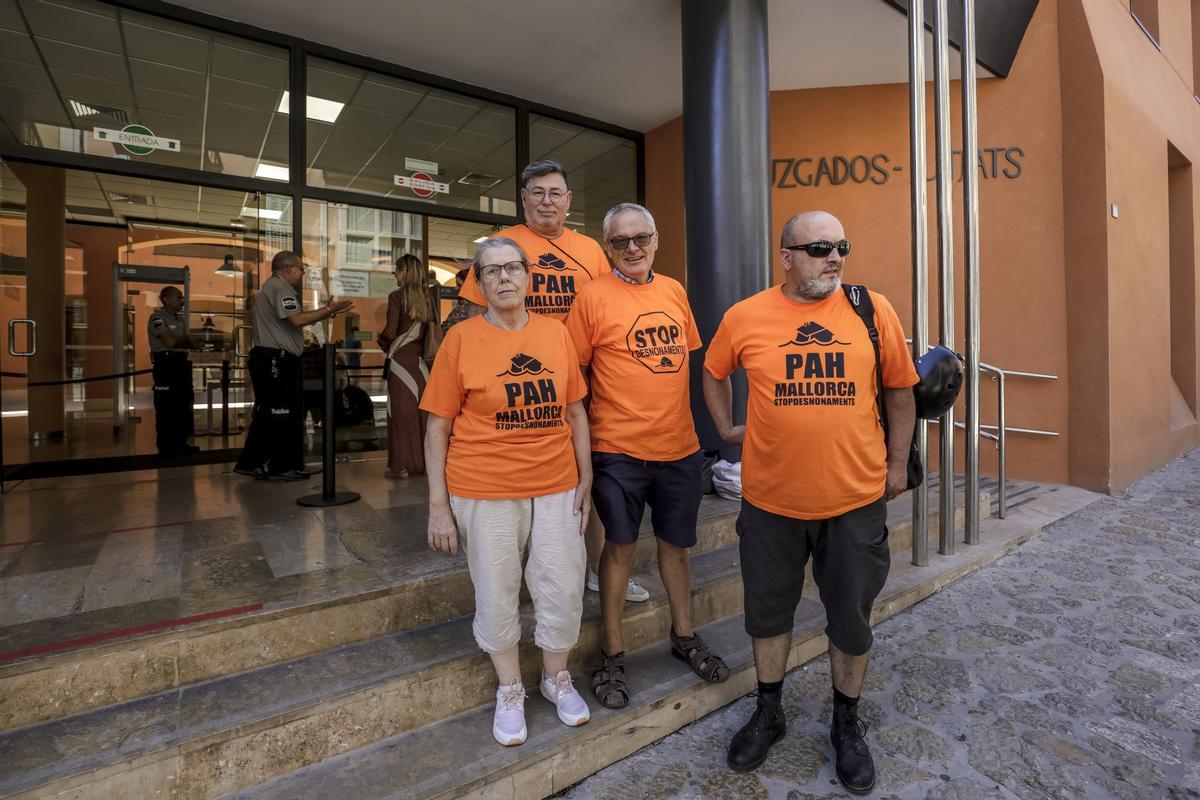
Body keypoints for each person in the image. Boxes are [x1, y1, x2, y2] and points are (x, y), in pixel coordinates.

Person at [702, 211, 918, 793]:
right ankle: (769, 711)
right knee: (768, 613)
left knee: (850, 616)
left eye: (841, 245)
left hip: (854, 501)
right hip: (771, 502)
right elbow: (713, 369)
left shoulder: (872, 309)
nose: (834, 256)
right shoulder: (745, 316)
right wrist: (726, 427)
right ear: (786, 256)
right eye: (819, 247)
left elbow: (901, 388)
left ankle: (846, 723)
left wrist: (897, 463)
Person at [421, 237, 593, 747]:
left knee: (562, 583)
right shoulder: (461, 340)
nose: (503, 279)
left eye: (512, 268)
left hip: (557, 484)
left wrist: (587, 478)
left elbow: (576, 411)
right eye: (491, 271)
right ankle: (511, 687)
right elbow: (437, 427)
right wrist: (438, 507)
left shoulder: (555, 333)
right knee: (497, 590)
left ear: (528, 276)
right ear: (479, 281)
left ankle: (556, 678)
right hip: (484, 486)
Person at [460, 159, 648, 604]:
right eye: (537, 192)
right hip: (517, 388)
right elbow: (473, 314)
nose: (547, 200)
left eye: (555, 193)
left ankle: (597, 572)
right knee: (525, 490)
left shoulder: (590, 251)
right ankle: (522, 579)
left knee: (592, 478)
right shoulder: (502, 246)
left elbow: (612, 307)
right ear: (524, 198)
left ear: (568, 200)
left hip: (584, 384)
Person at [565, 203, 729, 709]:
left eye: (642, 238)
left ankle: (684, 636)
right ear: (608, 246)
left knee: (676, 548)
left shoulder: (675, 291)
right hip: (617, 450)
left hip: (679, 449)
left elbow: (689, 361)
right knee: (617, 551)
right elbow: (574, 378)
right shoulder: (591, 297)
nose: (633, 248)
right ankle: (612, 651)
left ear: (656, 240)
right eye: (621, 242)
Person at [234, 251, 353, 481]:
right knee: (282, 413)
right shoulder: (280, 288)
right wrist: (330, 310)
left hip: (271, 359)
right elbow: (297, 319)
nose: (303, 273)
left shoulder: (272, 288)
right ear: (288, 268)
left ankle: (251, 462)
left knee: (268, 413)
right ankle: (280, 466)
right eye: (301, 268)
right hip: (275, 361)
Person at [378, 254, 436, 478]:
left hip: (400, 362)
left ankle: (401, 466)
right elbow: (431, 332)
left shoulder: (396, 297)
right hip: (421, 364)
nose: (395, 274)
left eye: (398, 270)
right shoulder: (428, 300)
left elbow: (391, 332)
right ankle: (424, 463)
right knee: (422, 414)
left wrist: (381, 341)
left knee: (401, 414)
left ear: (405, 272)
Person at [147, 286, 197, 456]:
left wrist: (178, 341)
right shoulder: (157, 318)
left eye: (182, 297)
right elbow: (168, 342)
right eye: (178, 297)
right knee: (166, 406)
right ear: (166, 299)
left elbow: (189, 342)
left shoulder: (181, 320)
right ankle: (167, 445)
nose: (182, 301)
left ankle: (181, 443)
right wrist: (178, 341)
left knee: (183, 404)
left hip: (181, 364)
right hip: (166, 365)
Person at [441, 267, 475, 333]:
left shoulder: (465, 304)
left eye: (459, 285)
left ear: (468, 285)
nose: (455, 287)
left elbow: (447, 327)